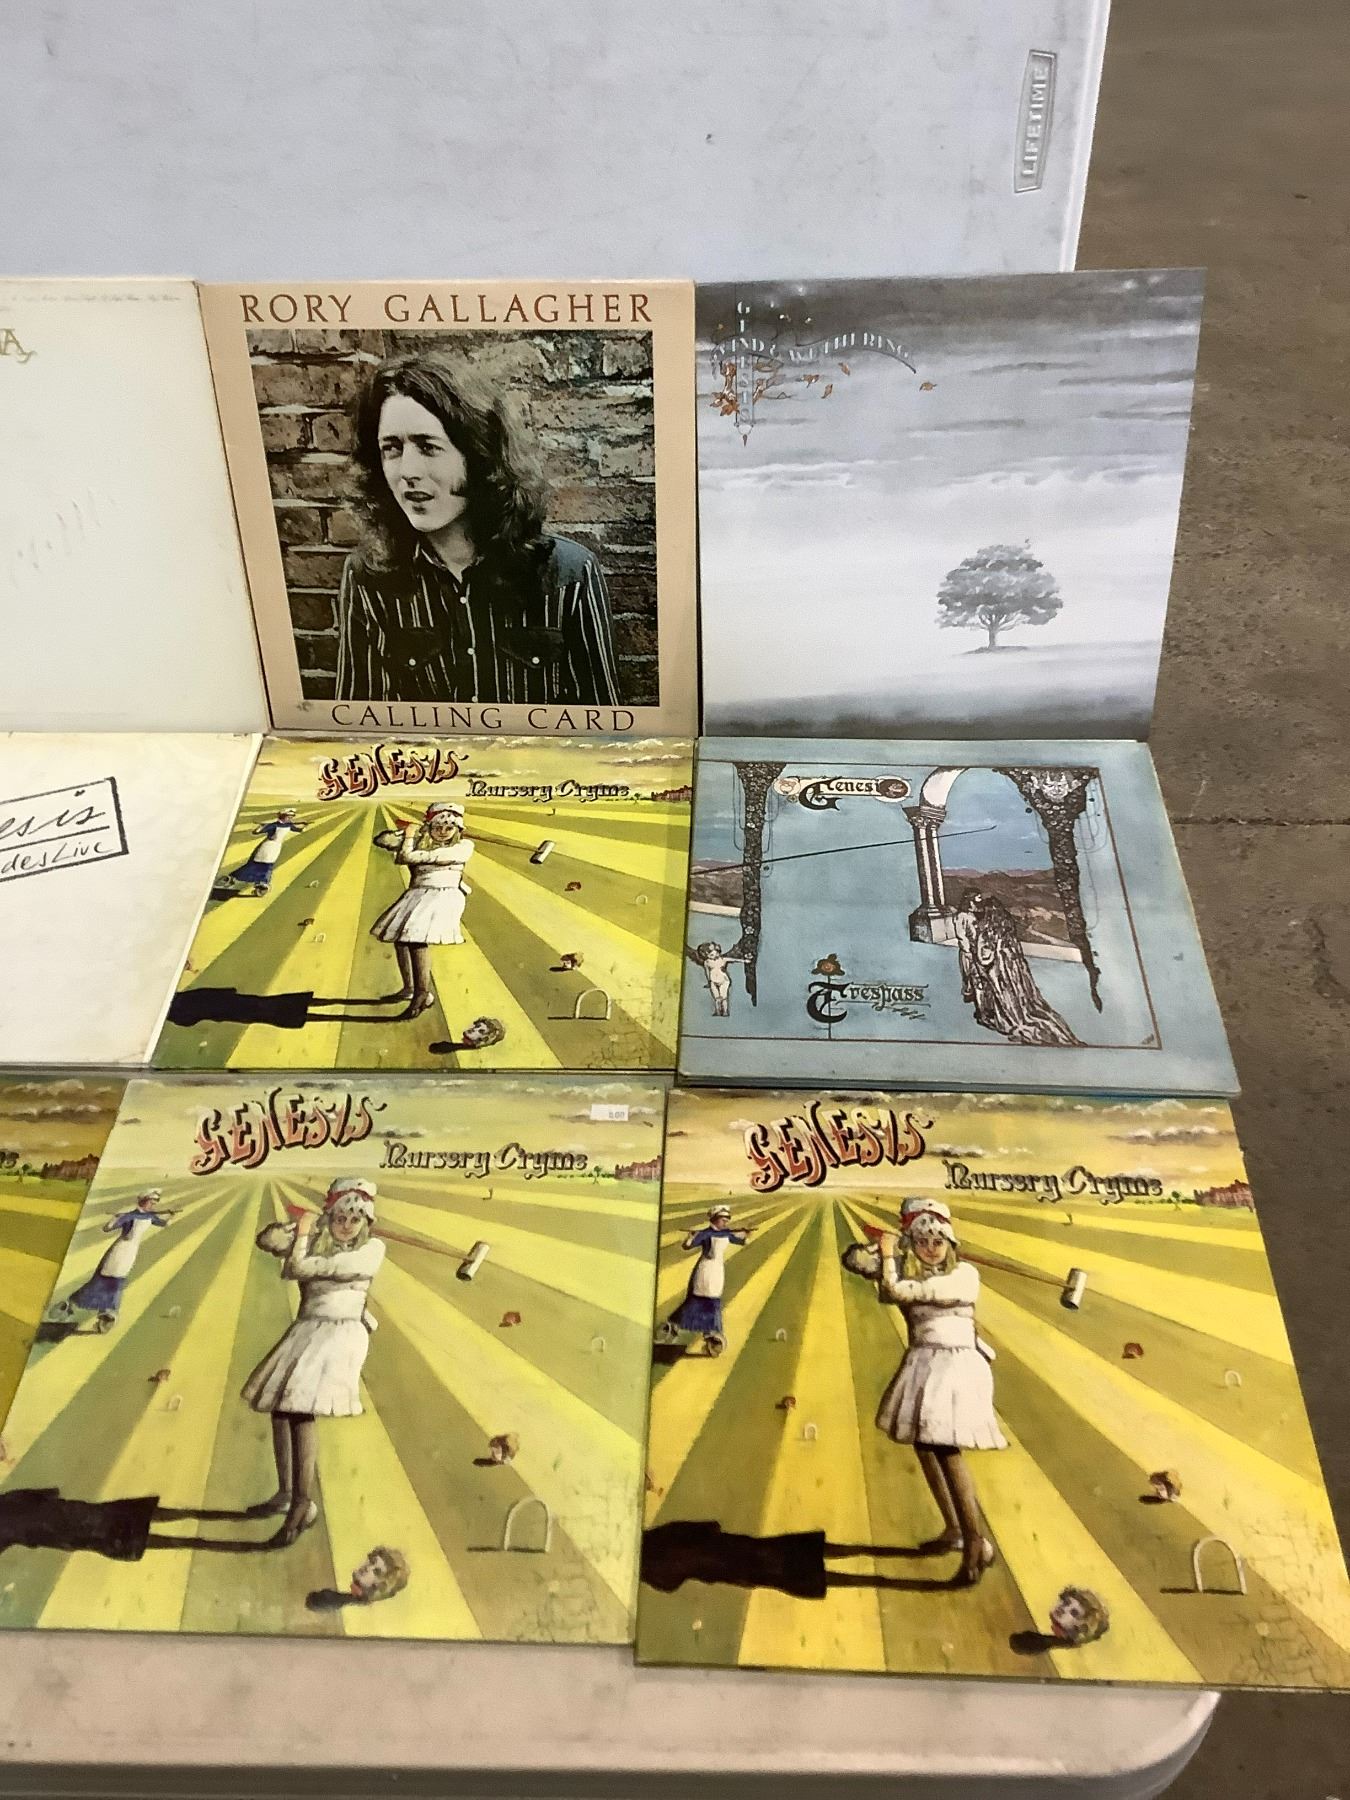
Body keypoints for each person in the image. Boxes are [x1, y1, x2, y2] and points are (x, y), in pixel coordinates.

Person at [334, 353, 622, 707]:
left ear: (478, 454)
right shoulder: (368, 578)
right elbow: (360, 724)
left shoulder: (570, 575)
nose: (408, 471)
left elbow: (603, 727)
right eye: (391, 449)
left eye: (428, 447)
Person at [853, 1198, 1006, 1587]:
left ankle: (976, 1544)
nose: (931, 1248)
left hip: (955, 1367)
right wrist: (881, 1249)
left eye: (938, 1241)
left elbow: (895, 1291)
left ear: (950, 1243)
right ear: (912, 1243)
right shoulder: (911, 1270)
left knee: (946, 1450)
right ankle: (955, 1530)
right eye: (922, 1241)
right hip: (925, 1362)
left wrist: (890, 1255)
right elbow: (853, 1260)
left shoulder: (964, 1276)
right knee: (925, 1446)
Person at [242, 1181, 385, 1547]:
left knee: (300, 1410)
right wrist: (302, 1227)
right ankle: (287, 1493)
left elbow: (298, 1268)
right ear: (330, 1216)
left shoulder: (371, 1250)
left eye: (355, 1219)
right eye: (340, 1217)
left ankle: (302, 1505)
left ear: (366, 1222)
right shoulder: (321, 1237)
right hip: (308, 1329)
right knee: (281, 1409)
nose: (346, 1225)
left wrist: (305, 1234)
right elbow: (266, 1240)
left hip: (341, 1333)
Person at [370, 801, 474, 1018]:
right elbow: (381, 840)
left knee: (416, 941)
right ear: (430, 827)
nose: (443, 832)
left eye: (449, 828)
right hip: (418, 893)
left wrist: (409, 838)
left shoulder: (463, 847)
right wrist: (407, 832)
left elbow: (406, 857)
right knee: (401, 940)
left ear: (457, 829)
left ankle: (422, 994)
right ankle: (409, 988)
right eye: (438, 827)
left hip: (443, 895)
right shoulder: (421, 841)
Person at [953, 888, 1080, 1047]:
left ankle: (988, 1013)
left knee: (984, 985)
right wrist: (973, 954)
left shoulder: (982, 923)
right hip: (973, 956)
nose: (979, 902)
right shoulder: (966, 917)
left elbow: (983, 949)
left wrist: (982, 955)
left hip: (983, 958)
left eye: (980, 899)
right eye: (977, 898)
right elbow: (965, 941)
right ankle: (985, 1013)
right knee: (979, 984)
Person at [50, 1190, 175, 1332]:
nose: (152, 1205)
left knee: (117, 1282)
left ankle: (105, 1314)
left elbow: (164, 1224)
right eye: (150, 1202)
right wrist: (115, 1218)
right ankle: (73, 1305)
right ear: (143, 1200)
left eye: (154, 1203)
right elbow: (107, 1228)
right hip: (119, 1251)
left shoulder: (150, 1216)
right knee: (104, 1280)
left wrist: (171, 1215)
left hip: (130, 1253)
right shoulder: (129, 1216)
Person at [656, 1204, 751, 1353]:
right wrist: (691, 1237)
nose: (726, 1222)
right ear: (715, 1218)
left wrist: (746, 1234)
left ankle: (704, 1331)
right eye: (723, 1219)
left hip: (717, 1272)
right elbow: (687, 1246)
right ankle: (691, 1328)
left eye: (727, 1219)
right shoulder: (706, 1234)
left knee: (712, 1301)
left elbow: (740, 1241)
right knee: (700, 1300)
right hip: (705, 1271)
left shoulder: (726, 1233)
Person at [226, 808, 308, 896]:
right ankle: (234, 877)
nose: (290, 818)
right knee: (257, 864)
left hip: (276, 848)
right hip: (267, 846)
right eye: (288, 816)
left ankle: (262, 883)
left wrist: (304, 826)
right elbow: (255, 832)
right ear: (283, 816)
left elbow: (298, 830)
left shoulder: (288, 825)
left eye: (291, 817)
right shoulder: (273, 825)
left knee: (268, 866)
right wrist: (261, 827)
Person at [686, 941, 745, 1018]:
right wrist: (709, 981)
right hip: (713, 981)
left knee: (723, 997)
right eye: (711, 955)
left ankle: (725, 1011)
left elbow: (734, 959)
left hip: (723, 981)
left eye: (715, 953)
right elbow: (707, 972)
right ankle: (717, 1011)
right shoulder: (707, 962)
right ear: (706, 955)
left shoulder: (722, 959)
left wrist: (744, 961)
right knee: (717, 998)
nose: (714, 956)